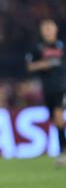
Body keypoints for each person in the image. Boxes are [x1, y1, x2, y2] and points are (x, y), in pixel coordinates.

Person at [26, 19, 66, 166]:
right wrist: (43, 64)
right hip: (48, 89)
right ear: (42, 31)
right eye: (45, 28)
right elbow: (29, 67)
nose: (48, 31)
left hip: (62, 87)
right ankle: (63, 150)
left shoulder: (62, 46)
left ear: (56, 30)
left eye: (50, 28)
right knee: (56, 121)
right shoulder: (37, 48)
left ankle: (63, 152)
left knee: (59, 116)